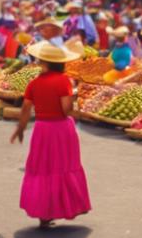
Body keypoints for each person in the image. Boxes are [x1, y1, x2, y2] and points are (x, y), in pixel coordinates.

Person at [11, 42, 91, 228]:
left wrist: (20, 129)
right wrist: (79, 109)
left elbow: (25, 109)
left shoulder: (34, 84)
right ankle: (70, 205)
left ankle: (44, 215)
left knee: (43, 168)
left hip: (41, 130)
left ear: (45, 63)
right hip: (61, 130)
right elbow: (66, 109)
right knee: (64, 166)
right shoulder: (63, 81)